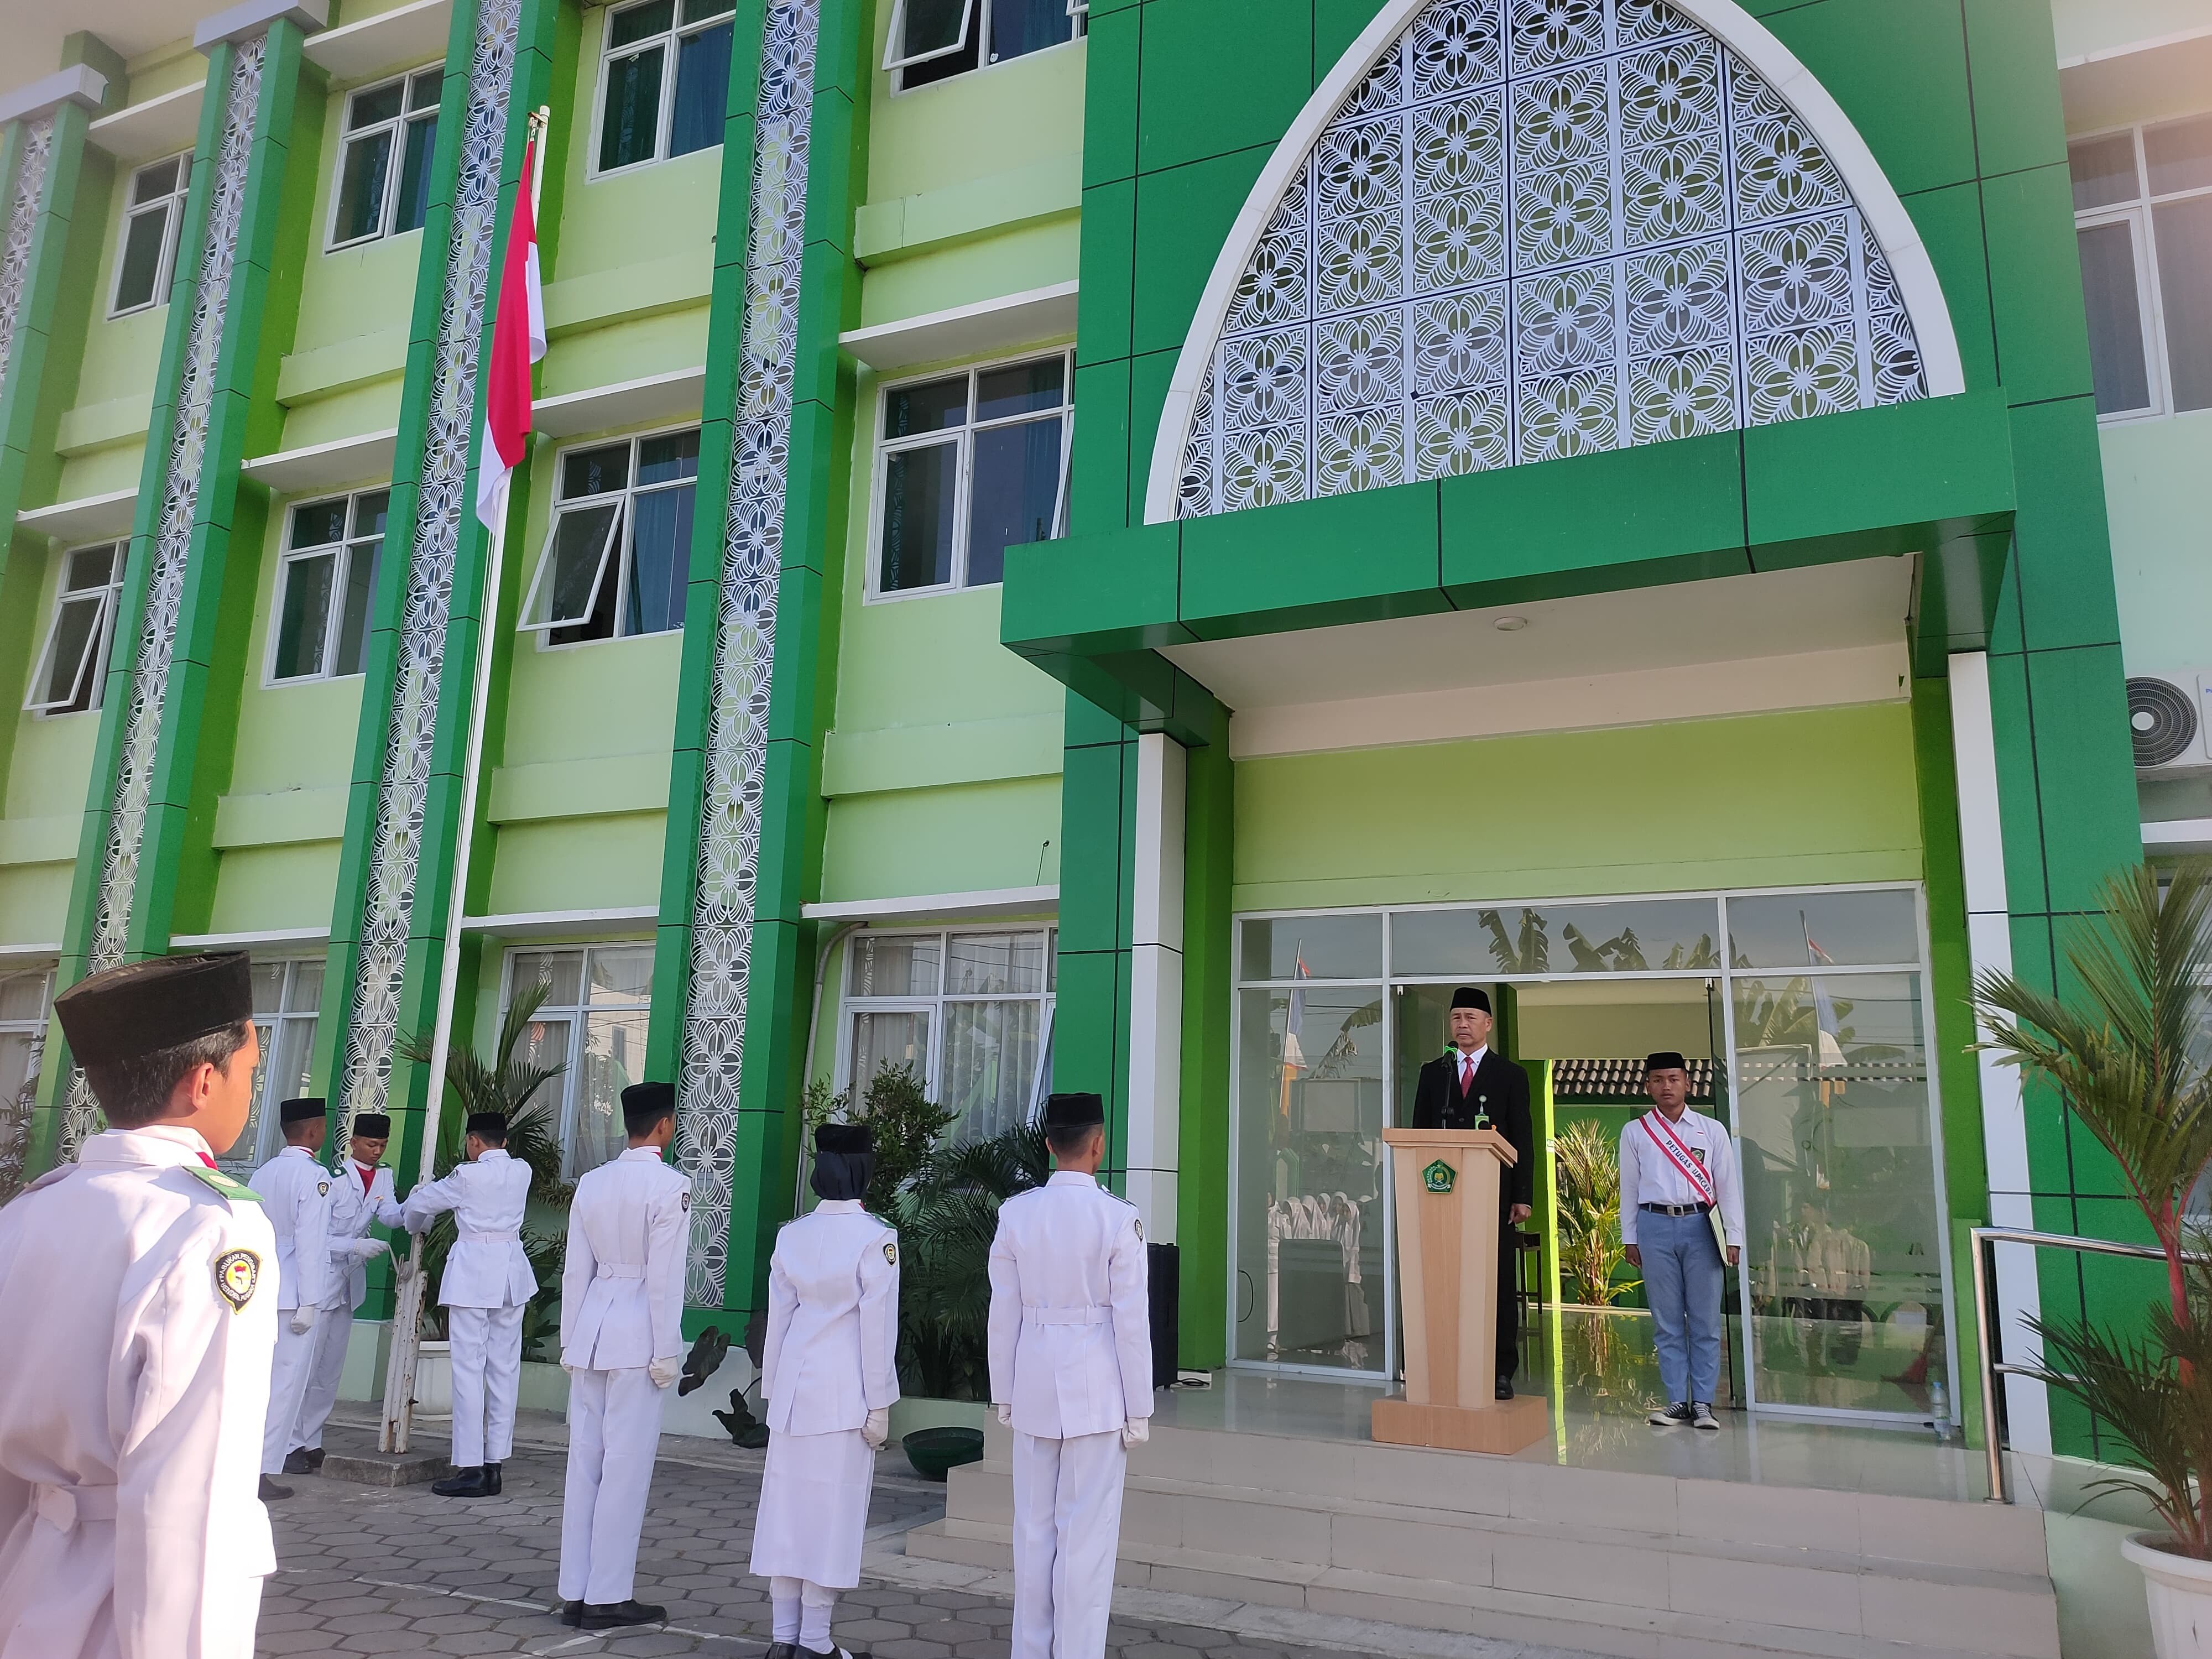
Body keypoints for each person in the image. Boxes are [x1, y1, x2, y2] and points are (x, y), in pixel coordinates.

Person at [0, 951, 278, 1655]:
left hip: (26, 1583)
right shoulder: (210, 1226)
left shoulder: (28, 1214)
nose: (251, 1093)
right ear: (203, 1080)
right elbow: (190, 1495)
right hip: (123, 1608)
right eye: (250, 1072)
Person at [988, 1092, 1151, 1659]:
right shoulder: (1117, 1217)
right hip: (1096, 1391)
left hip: (1033, 1382)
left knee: (1033, 1535)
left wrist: (1002, 1393)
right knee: (1085, 1539)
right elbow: (1131, 1323)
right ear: (1098, 1143)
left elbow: (1002, 1311)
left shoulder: (1017, 1213)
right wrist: (1139, 1410)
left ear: (1049, 1144)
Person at [750, 1123, 898, 1659]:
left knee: (785, 1516)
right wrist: (879, 1405)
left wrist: (772, 1387)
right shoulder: (876, 1238)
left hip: (792, 1392)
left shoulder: (792, 1234)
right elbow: (876, 1329)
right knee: (828, 1519)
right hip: (845, 1396)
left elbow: (779, 1319)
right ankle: (814, 1642)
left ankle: (782, 1641)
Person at [556, 1082, 691, 1632]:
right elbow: (663, 1280)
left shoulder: (592, 1182)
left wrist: (569, 1340)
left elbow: (574, 1271)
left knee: (584, 1464)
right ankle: (608, 1596)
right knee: (625, 1468)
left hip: (592, 1330)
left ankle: (576, 1589)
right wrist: (667, 1350)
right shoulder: (671, 1186)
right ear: (663, 1125)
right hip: (638, 1335)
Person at [400, 1110, 535, 1496]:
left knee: (468, 1371)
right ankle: (494, 1464)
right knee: (505, 1370)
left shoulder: (466, 1176)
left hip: (475, 1275)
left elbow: (422, 1204)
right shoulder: (521, 1170)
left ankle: (471, 1466)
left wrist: (412, 1224)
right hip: (511, 1274)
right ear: (504, 1142)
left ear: (474, 1141)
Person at [1409, 987, 1534, 1399]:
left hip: (1491, 1196)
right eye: (1456, 1017)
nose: (1462, 1025)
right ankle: (1441, 1362)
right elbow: (1420, 1135)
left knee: (1495, 1280)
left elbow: (1522, 1139)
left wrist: (1522, 1194)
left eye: (1470, 1017)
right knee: (1443, 1279)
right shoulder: (1435, 1072)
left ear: (1487, 1024)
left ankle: (1499, 1368)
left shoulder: (1510, 1075)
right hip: (1441, 1195)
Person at [1620, 1051, 1744, 1430]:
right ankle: (1677, 1400)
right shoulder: (1636, 1131)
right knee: (1667, 1320)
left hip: (1702, 1227)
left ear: (1687, 1083)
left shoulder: (1711, 1130)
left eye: (1674, 1079)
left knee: (1705, 1320)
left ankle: (1703, 1403)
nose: (1666, 1086)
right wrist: (1630, 1238)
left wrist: (1734, 1237)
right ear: (1648, 1086)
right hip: (1654, 1225)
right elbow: (1628, 1188)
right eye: (1658, 1080)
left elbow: (1728, 1187)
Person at [286, 1110, 403, 1474]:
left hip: (348, 1284)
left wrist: (416, 1207)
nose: (377, 1151)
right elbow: (314, 1238)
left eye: (382, 1145)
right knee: (306, 1367)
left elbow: (389, 1215)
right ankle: (288, 1443)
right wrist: (353, 1246)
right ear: (353, 1143)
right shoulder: (333, 1180)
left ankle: (312, 1440)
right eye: (371, 1144)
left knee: (329, 1371)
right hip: (320, 1279)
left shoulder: (383, 1177)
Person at [251, 1097, 332, 1501]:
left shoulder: (263, 1172)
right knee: (284, 1387)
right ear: (315, 1131)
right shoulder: (315, 1177)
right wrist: (312, 1299)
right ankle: (263, 1470)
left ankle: (245, 1464)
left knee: (257, 1383)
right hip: (296, 1289)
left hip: (262, 1284)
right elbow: (311, 1241)